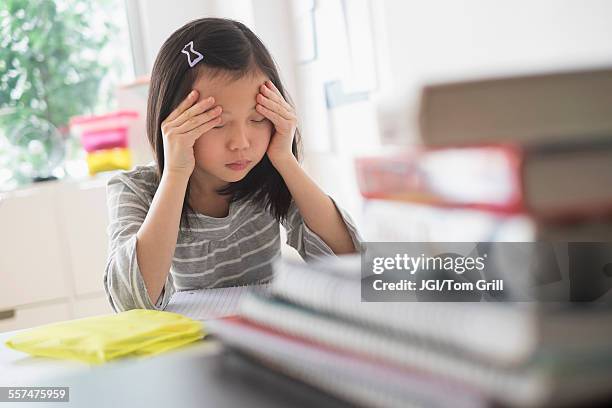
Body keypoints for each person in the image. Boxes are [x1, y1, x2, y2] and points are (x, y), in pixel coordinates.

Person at [103, 17, 363, 312]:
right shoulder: (135, 189)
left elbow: (351, 261)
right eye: (217, 124)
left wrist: (285, 159)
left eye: (257, 119)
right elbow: (130, 302)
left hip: (264, 338)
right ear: (172, 122)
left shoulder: (270, 173)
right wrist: (175, 173)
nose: (241, 142)